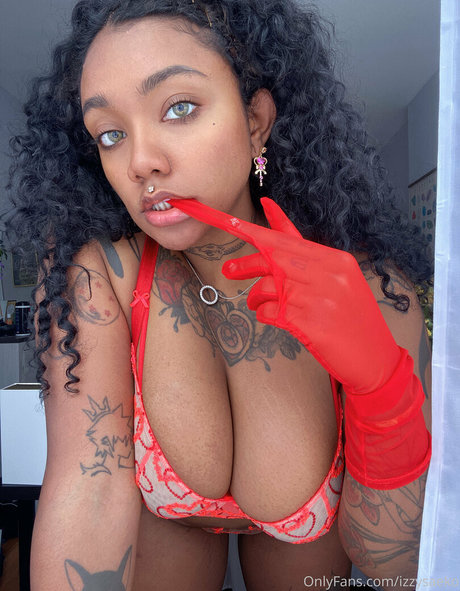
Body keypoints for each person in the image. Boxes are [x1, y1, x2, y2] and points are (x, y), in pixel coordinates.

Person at [6, 0, 433, 589]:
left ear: (255, 120)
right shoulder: (100, 272)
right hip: (163, 534)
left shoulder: (369, 287)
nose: (140, 162)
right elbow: (88, 493)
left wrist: (382, 387)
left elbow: (395, 565)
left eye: (179, 108)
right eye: (110, 134)